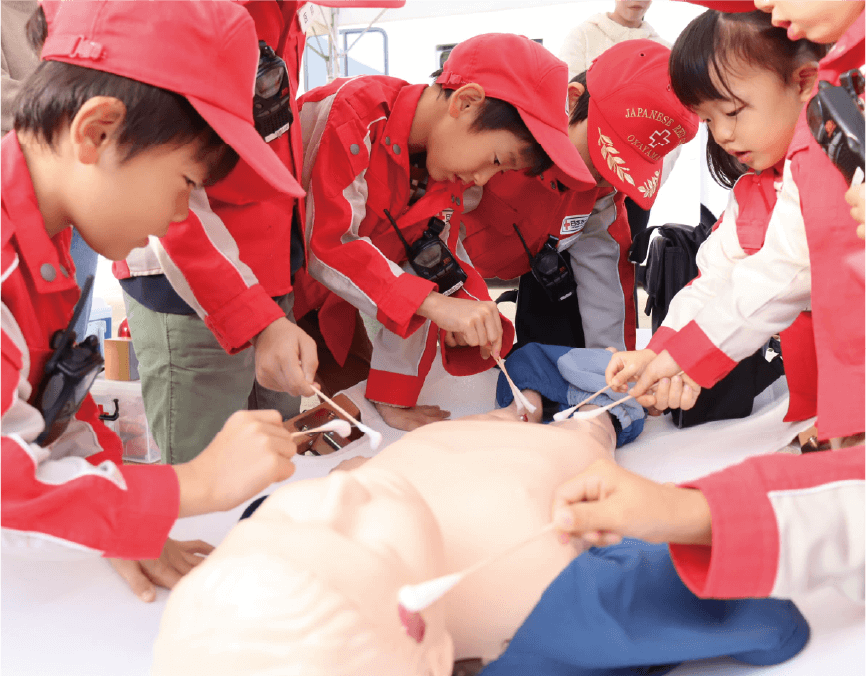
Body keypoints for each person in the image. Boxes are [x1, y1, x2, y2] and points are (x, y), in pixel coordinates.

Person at [1, 0, 301, 602]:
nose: (176, 215)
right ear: (98, 131)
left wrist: (127, 519)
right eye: (185, 185)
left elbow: (51, 415)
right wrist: (188, 484)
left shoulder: (47, 245)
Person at [152, 409, 809, 675]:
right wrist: (671, 514)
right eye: (363, 542)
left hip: (502, 413)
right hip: (577, 426)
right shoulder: (549, 608)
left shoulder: (271, 577)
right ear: (434, 654)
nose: (337, 493)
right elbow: (770, 619)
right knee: (596, 398)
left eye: (276, 523)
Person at [298, 33, 589, 432]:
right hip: (249, 296)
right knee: (241, 424)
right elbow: (328, 246)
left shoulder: (447, 179)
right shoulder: (352, 114)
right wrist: (438, 307)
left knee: (350, 417)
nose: (484, 178)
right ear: (465, 102)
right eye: (496, 159)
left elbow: (433, 266)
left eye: (501, 172)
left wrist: (471, 312)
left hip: (332, 301)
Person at [608, 4, 865, 447]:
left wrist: (686, 356)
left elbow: (784, 270)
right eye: (708, 119)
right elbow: (719, 276)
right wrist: (660, 350)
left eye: (732, 111)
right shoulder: (753, 191)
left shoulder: (820, 153)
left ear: (803, 83)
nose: (722, 134)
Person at [109, 0, 319, 465]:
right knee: (206, 477)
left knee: (273, 466)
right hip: (189, 282)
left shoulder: (285, 11)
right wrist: (254, 317)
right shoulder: (178, 14)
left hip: (270, 272)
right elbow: (162, 188)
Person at [462, 39, 698, 353]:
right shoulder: (497, 144)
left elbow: (604, 277)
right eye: (603, 154)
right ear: (573, 101)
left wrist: (613, 368)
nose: (601, 179)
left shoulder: (603, 192)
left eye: (621, 169)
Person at [558, 0, 678, 240]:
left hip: (634, 181)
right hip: (581, 170)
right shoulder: (583, 35)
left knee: (622, 257)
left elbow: (671, 121)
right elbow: (565, 101)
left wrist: (647, 182)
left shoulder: (664, 49)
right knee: (555, 254)